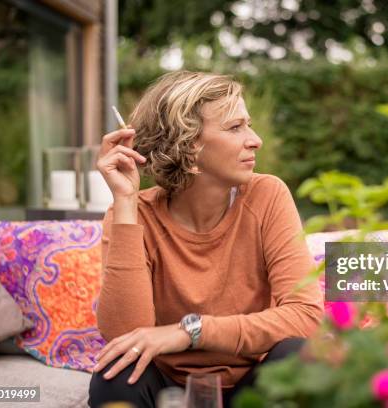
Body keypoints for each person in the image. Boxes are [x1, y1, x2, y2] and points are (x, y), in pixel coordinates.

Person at [88, 71, 324, 408]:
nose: (255, 139)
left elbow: (305, 316)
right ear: (188, 145)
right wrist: (126, 202)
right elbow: (126, 335)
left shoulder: (267, 195)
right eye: (235, 127)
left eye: (248, 124)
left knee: (300, 355)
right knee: (116, 373)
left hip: (252, 383)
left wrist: (190, 331)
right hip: (167, 386)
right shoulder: (131, 212)